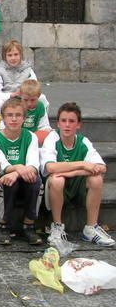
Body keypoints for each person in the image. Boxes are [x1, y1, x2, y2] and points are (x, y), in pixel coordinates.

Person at [42, 102, 114, 247]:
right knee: (56, 179)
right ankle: (57, 226)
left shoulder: (83, 141)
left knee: (96, 179)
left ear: (79, 124)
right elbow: (50, 167)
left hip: (77, 188)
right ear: (58, 124)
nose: (67, 125)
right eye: (63, 121)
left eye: (71, 121)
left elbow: (101, 167)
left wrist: (73, 172)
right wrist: (82, 164)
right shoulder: (52, 139)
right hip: (57, 189)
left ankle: (91, 228)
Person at [0, 98, 42, 245]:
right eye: (9, 115)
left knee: (35, 181)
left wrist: (17, 172)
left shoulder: (30, 136)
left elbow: (33, 164)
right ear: (3, 118)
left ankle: (29, 225)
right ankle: (3, 225)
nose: (13, 118)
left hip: (25, 177)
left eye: (18, 115)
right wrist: (17, 169)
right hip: (6, 177)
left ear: (24, 118)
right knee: (9, 182)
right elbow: (1, 163)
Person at [0, 39, 44, 110]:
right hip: (8, 98)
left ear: (21, 55)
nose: (13, 58)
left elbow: (35, 87)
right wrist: (12, 95)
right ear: (5, 57)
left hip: (25, 98)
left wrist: (24, 93)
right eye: (9, 55)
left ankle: (37, 119)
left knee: (42, 98)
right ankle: (1, 121)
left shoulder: (28, 70)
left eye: (16, 54)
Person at [17, 80, 52, 144]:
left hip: (35, 136)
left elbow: (44, 125)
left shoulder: (40, 106)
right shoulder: (16, 107)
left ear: (38, 96)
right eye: (25, 100)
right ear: (21, 96)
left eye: (33, 100)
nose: (29, 104)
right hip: (19, 136)